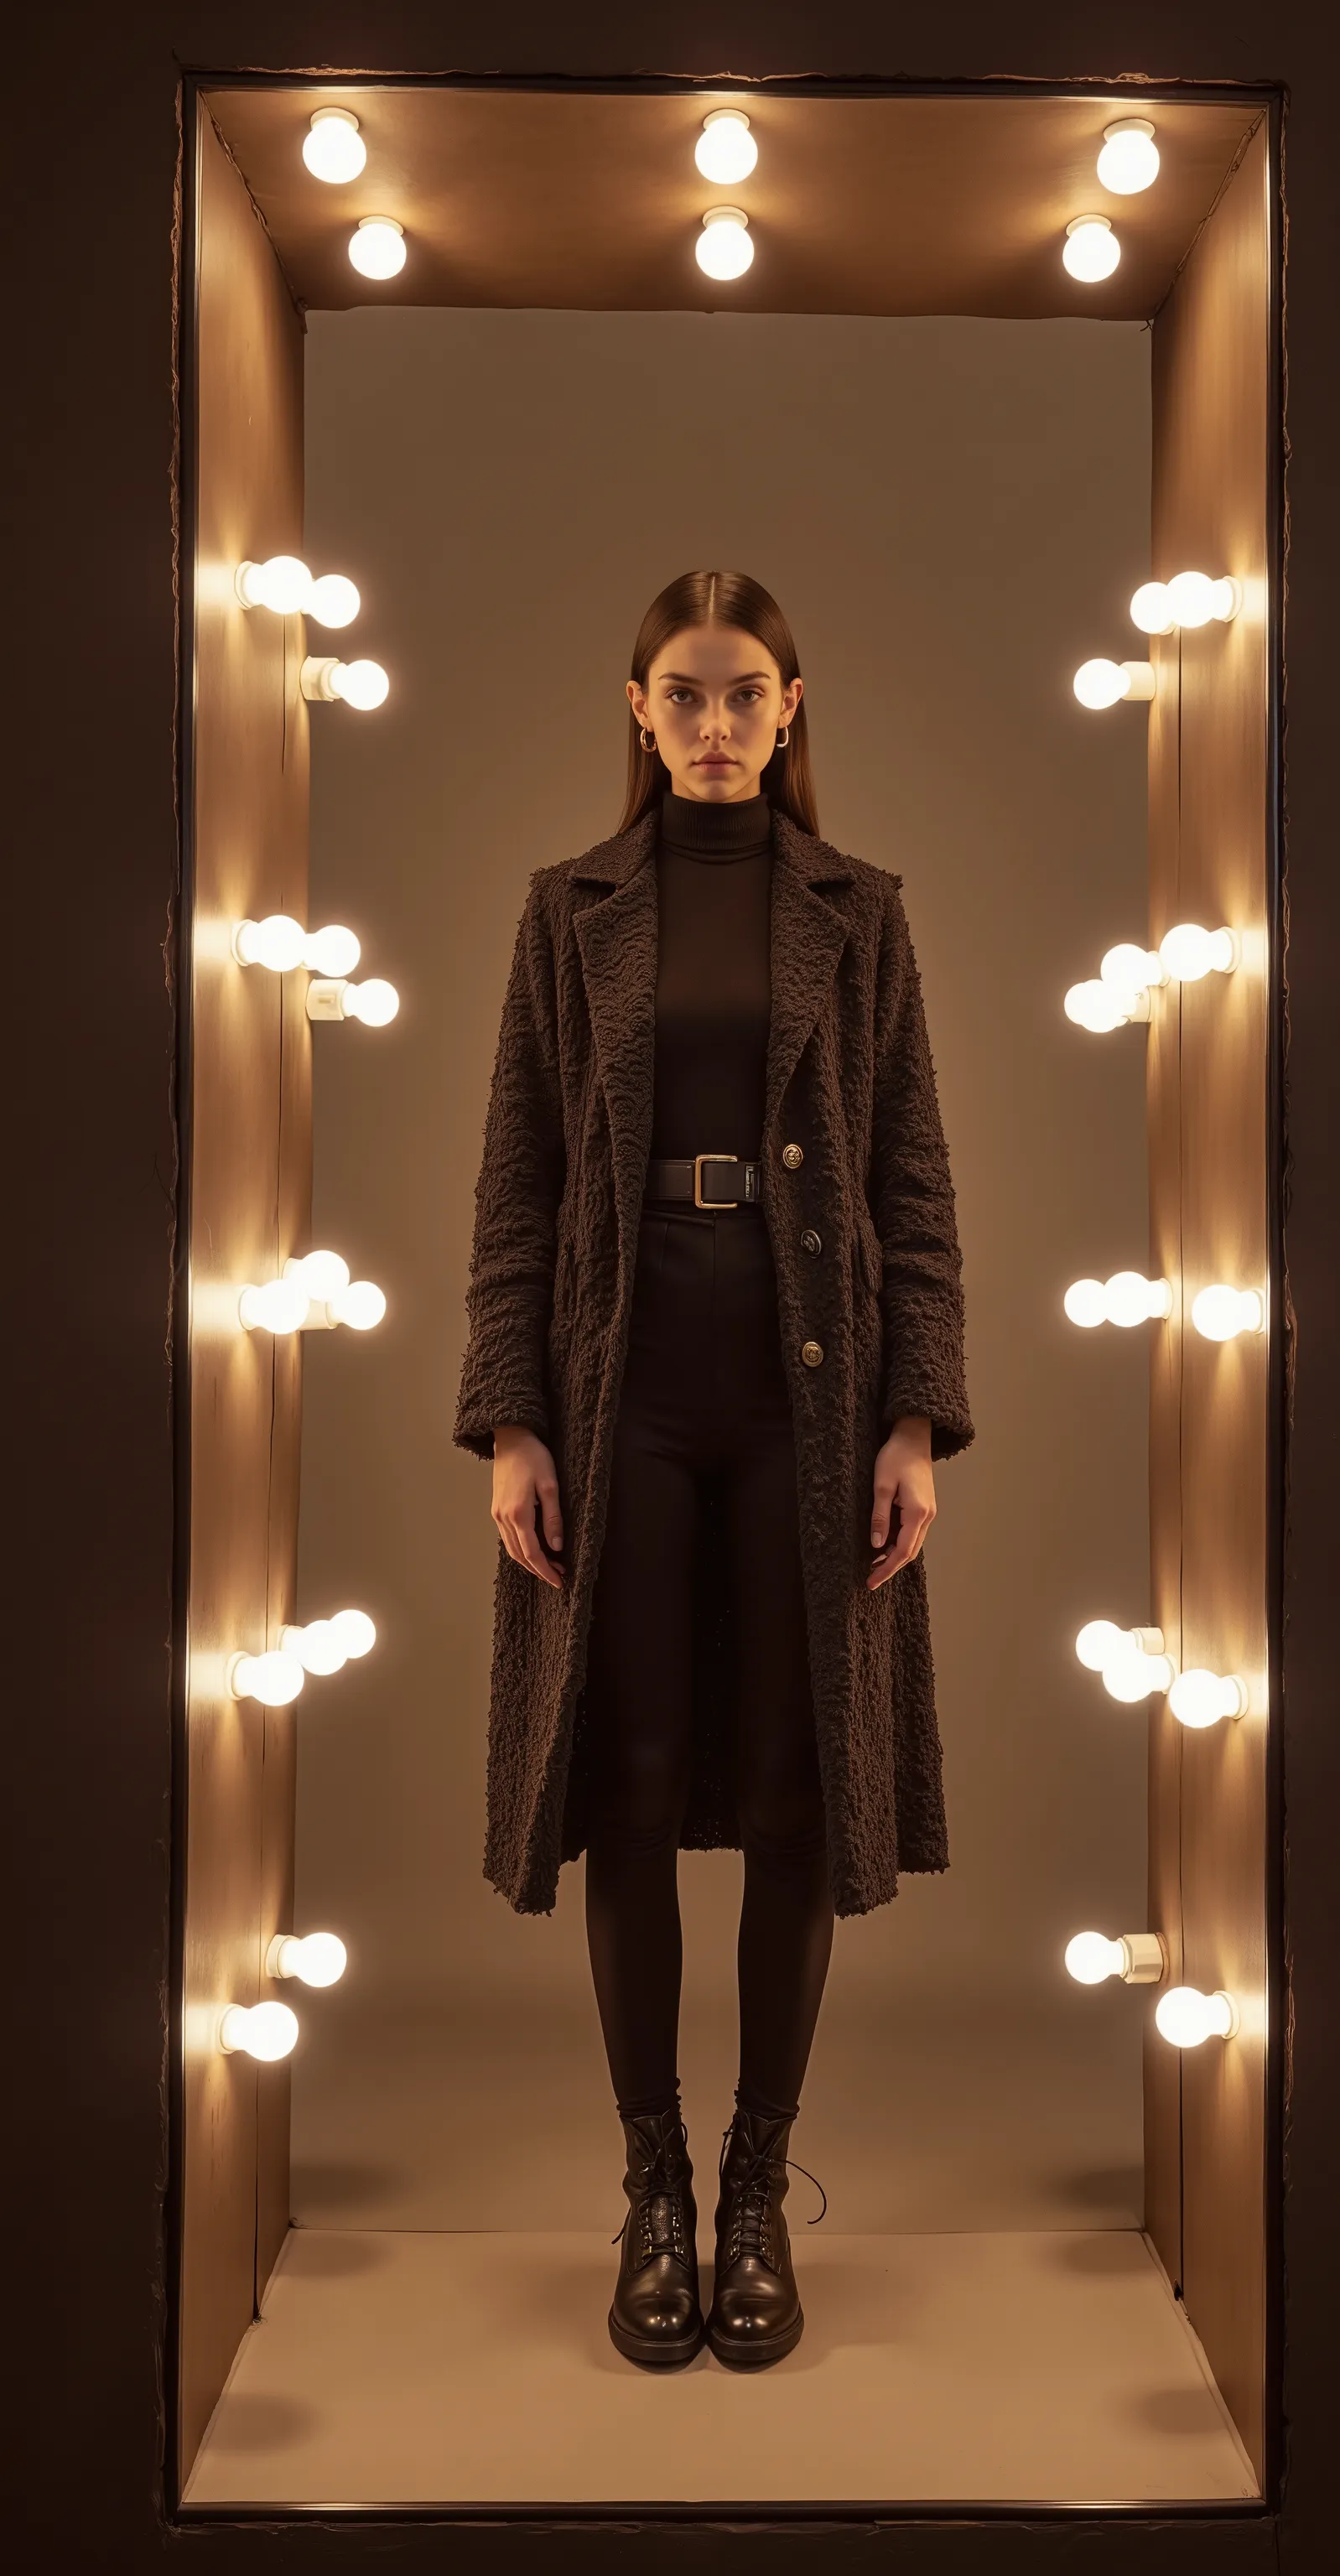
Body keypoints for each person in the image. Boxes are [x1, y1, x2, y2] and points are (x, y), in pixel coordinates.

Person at [454, 569, 972, 2371]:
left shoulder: (863, 913)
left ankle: (761, 2184)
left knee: (793, 1783)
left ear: (792, 705)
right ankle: (651, 2189)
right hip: (622, 1395)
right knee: (629, 1768)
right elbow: (516, 1182)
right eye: (686, 694)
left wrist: (917, 1414)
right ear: (638, 707)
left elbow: (915, 1178)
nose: (718, 724)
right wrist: (514, 1413)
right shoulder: (568, 911)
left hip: (806, 1396)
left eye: (748, 694)